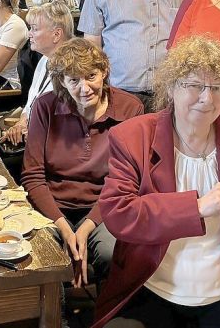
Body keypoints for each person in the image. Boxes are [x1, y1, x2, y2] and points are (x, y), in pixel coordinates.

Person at [95, 35, 220, 328]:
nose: (207, 98)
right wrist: (197, 206)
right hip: (152, 287)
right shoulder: (134, 136)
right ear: (172, 87)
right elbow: (118, 213)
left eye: (216, 87)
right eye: (195, 85)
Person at [21, 38, 144, 288]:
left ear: (104, 72)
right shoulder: (45, 106)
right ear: (62, 82)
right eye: (74, 80)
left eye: (91, 76)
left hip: (107, 207)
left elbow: (129, 181)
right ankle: (58, 317)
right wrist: (64, 227)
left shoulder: (131, 109)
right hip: (52, 208)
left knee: (113, 254)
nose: (85, 88)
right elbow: (33, 176)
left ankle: (106, 315)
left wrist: (87, 227)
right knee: (40, 256)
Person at [1, 0, 75, 145]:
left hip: (54, 145)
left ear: (56, 34)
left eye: (34, 29)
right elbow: (30, 104)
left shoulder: (72, 70)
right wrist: (21, 123)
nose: (29, 34)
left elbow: (66, 124)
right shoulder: (44, 60)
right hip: (34, 137)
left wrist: (31, 130)